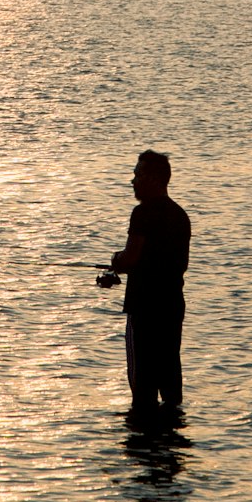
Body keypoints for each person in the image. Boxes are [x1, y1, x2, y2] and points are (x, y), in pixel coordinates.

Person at [109, 149, 190, 420]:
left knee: (142, 386)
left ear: (155, 179)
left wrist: (115, 261)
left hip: (144, 309)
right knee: (169, 382)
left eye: (138, 174)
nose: (133, 180)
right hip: (172, 307)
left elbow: (130, 259)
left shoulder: (142, 213)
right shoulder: (180, 215)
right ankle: (170, 439)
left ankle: (142, 445)